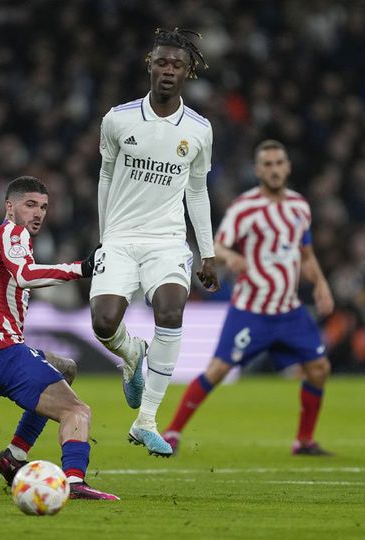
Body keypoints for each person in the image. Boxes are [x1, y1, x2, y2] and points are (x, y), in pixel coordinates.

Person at [90, 28, 219, 457]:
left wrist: (209, 252)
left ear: (189, 72)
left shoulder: (199, 130)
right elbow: (106, 177)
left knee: (170, 308)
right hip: (121, 237)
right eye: (161, 62)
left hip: (167, 240)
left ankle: (146, 420)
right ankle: (133, 354)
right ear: (150, 64)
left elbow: (197, 192)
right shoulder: (118, 119)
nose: (168, 70)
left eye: (176, 65)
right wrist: (106, 235)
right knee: (104, 323)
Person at [0, 176, 117, 500]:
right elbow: (25, 276)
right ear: (9, 207)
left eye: (43, 207)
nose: (38, 213)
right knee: (76, 412)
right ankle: (75, 482)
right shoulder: (12, 233)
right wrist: (82, 268)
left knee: (64, 368)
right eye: (30, 205)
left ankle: (14, 455)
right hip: (0, 351)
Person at [163, 139, 335, 456]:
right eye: (267, 164)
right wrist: (233, 259)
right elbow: (220, 244)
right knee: (216, 371)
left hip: (289, 311)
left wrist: (321, 284)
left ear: (288, 167)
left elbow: (306, 253)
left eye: (279, 163)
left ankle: (304, 441)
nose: (274, 169)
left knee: (320, 368)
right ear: (258, 170)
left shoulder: (300, 207)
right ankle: (172, 431)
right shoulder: (246, 207)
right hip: (251, 310)